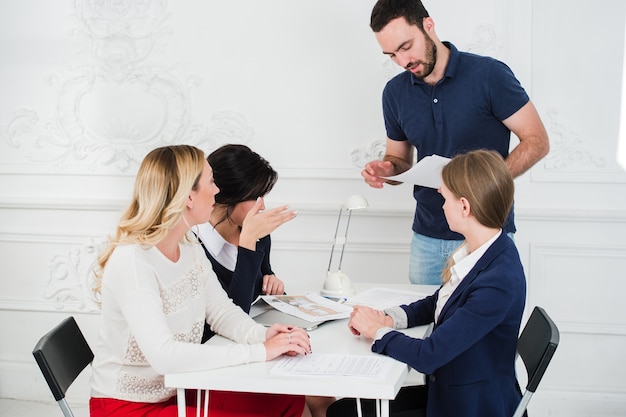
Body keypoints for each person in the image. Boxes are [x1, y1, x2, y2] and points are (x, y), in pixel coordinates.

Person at [89, 144, 311, 417]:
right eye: (211, 181)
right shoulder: (133, 261)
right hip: (127, 405)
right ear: (189, 198)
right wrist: (260, 352)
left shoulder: (189, 245)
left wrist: (263, 334)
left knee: (286, 400)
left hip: (179, 388)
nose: (218, 191)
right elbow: (165, 357)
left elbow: (221, 312)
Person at [361, 0, 550, 285]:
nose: (402, 62)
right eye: (392, 55)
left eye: (406, 47)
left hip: (486, 232)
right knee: (423, 327)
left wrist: (484, 182)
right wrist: (387, 170)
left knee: (484, 328)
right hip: (426, 237)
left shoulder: (490, 76)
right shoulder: (394, 93)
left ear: (428, 25)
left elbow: (537, 140)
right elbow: (399, 160)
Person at [327, 149, 527, 417]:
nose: (442, 205)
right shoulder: (485, 250)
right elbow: (439, 301)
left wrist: (376, 331)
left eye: (444, 197)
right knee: (344, 410)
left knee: (344, 414)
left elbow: (428, 355)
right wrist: (389, 319)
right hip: (453, 391)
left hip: (470, 407)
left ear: (465, 206)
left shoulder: (498, 280)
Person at [197, 144, 336, 417]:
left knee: (323, 396)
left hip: (257, 340)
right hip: (221, 354)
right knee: (302, 396)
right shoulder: (196, 244)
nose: (262, 205)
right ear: (226, 197)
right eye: (255, 196)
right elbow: (231, 316)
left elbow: (258, 289)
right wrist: (247, 244)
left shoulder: (258, 234)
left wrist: (272, 283)